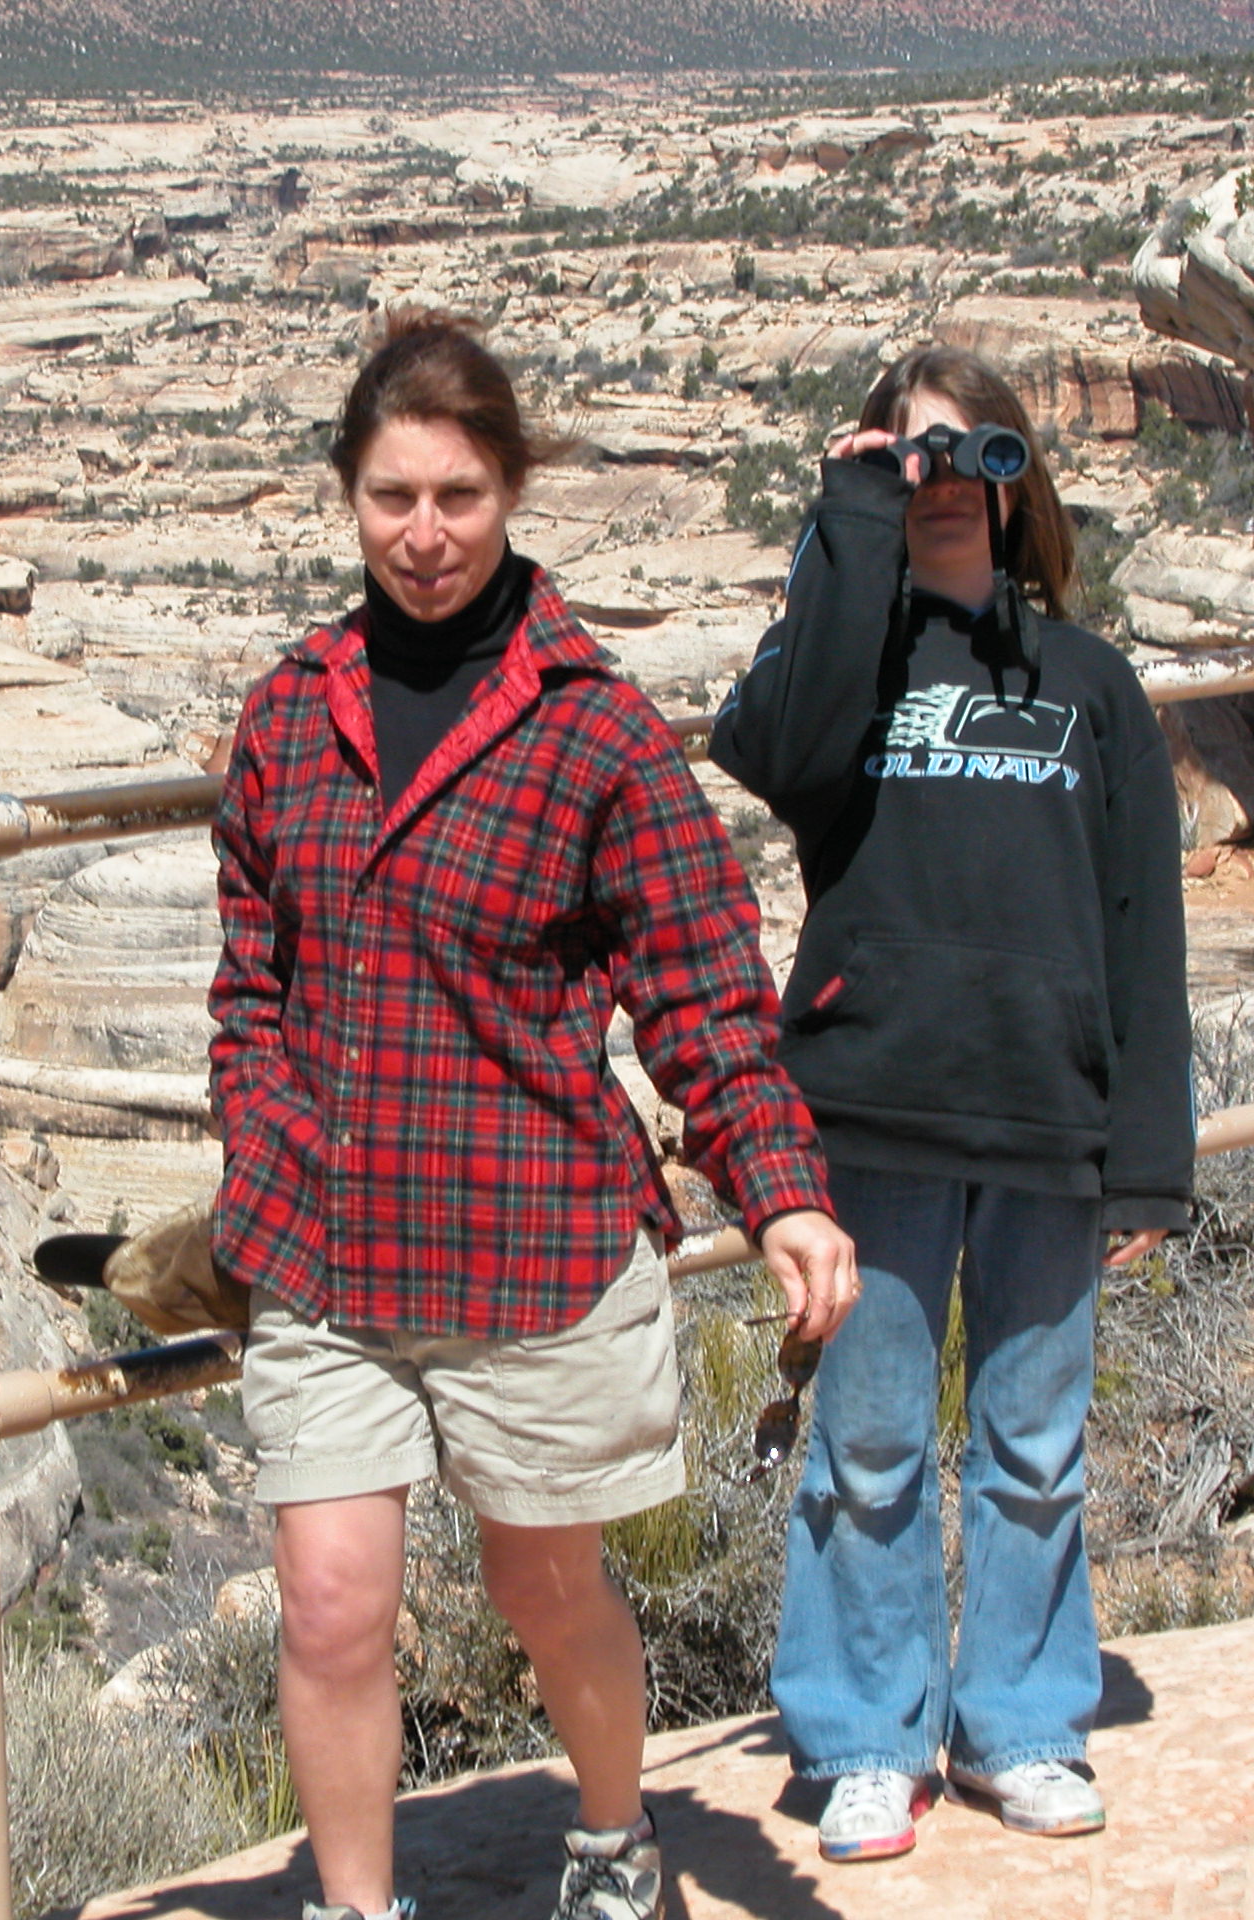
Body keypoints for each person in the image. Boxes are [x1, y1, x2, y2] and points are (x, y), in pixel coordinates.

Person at [209, 312, 859, 1920]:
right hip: (328, 1242)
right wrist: (265, 1133)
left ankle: (616, 1834)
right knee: (331, 1605)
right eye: (391, 497)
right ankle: (355, 1908)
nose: (423, 536)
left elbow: (702, 988)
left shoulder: (596, 732)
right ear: (347, 500)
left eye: (458, 495)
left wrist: (778, 1189)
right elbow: (249, 982)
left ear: (512, 493)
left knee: (545, 1584)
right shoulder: (289, 719)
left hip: (527, 1242)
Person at [709, 345, 1193, 1862]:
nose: (939, 483)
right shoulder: (840, 683)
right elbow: (768, 751)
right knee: (865, 1454)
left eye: (966, 453)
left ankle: (1025, 1722)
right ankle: (865, 1736)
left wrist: (1148, 1165)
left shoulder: (1092, 685)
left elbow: (1143, 927)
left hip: (1048, 1120)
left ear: (1016, 473)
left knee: (1036, 1452)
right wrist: (849, 513)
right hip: (870, 1112)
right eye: (907, 454)